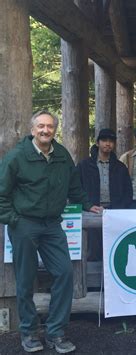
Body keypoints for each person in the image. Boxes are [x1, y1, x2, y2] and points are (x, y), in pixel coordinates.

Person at [0, 111, 102, 353]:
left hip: (52, 225)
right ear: (32, 129)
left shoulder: (62, 155)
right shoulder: (16, 157)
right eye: (40, 126)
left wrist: (88, 204)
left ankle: (55, 332)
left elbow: (74, 185)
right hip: (24, 224)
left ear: (55, 130)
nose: (45, 130)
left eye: (50, 126)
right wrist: (13, 220)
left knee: (64, 273)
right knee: (25, 280)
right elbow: (2, 194)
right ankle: (29, 332)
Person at [77, 128, 133, 209]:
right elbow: (77, 189)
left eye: (111, 141)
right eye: (104, 140)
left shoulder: (120, 167)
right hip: (91, 210)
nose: (108, 144)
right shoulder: (84, 165)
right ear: (97, 143)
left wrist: (120, 207)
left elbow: (128, 191)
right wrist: (87, 205)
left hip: (115, 212)